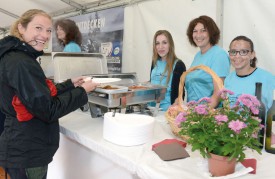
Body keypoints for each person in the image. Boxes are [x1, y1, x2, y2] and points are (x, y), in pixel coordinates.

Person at [0, 9, 98, 179]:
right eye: (38, 28)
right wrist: (82, 91)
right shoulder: (21, 62)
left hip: (22, 146)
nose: (44, 35)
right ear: (21, 28)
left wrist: (70, 84)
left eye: (48, 30)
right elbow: (48, 109)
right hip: (28, 151)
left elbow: (38, 93)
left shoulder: (18, 56)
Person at [185, 15, 230, 107]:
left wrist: (202, 113)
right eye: (195, 31)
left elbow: (218, 93)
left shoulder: (219, 55)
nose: (198, 35)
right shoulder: (198, 55)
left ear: (211, 32)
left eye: (203, 30)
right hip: (193, 111)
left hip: (209, 114)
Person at [225, 35, 275, 110]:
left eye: (243, 52)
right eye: (233, 52)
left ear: (252, 55)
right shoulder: (228, 79)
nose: (237, 56)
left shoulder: (268, 78)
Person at [150, 30, 186, 111]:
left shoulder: (178, 65)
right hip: (150, 109)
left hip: (166, 111)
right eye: (157, 43)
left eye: (164, 43)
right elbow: (152, 83)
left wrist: (173, 109)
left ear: (170, 45)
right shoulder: (154, 62)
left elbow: (180, 94)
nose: (160, 47)